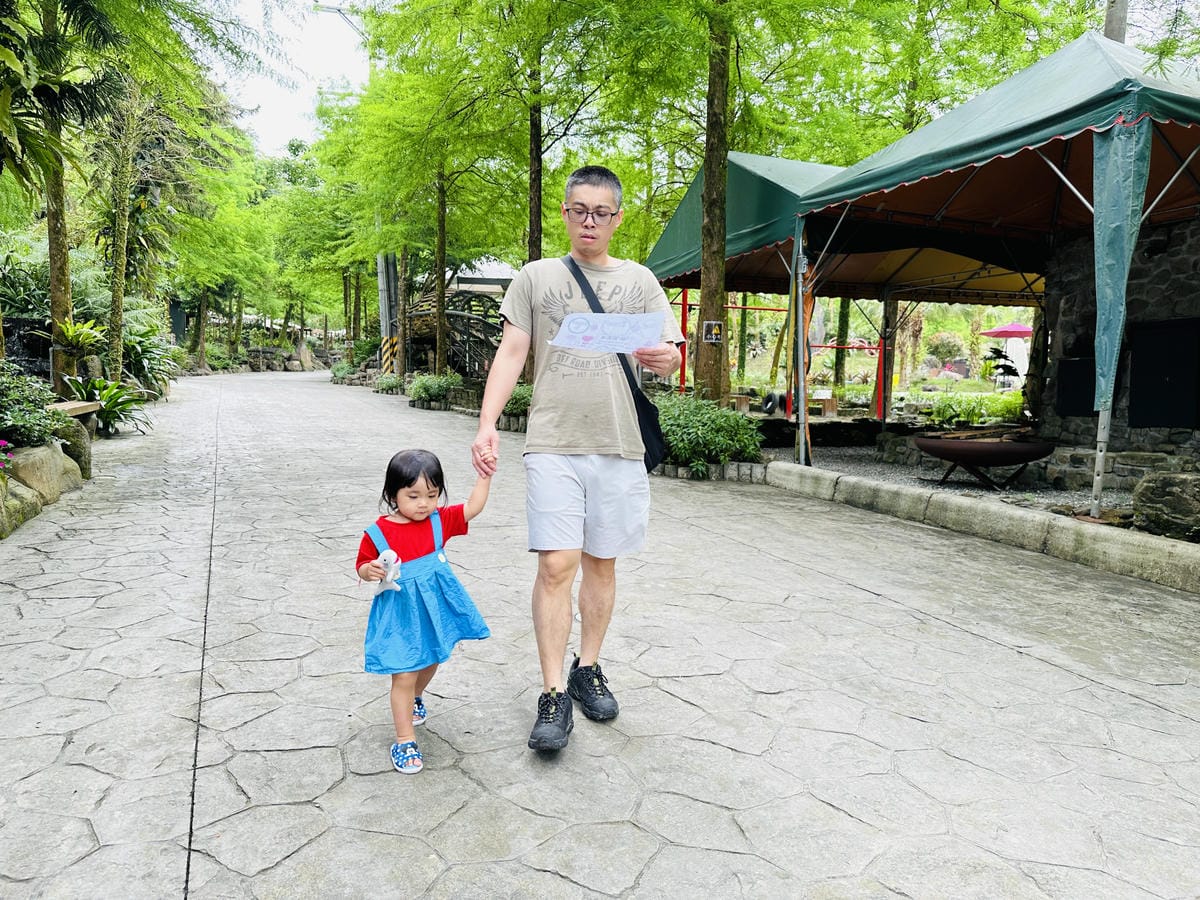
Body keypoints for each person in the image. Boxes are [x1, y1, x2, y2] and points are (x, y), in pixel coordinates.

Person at [471, 165, 683, 751]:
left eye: (602, 213)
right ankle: (551, 694)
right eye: (579, 210)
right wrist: (487, 425)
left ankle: (586, 668)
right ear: (564, 213)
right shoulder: (536, 278)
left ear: (617, 218)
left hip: (619, 444)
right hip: (554, 442)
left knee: (602, 564)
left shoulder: (640, 280)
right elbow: (513, 352)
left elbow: (667, 354)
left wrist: (667, 360)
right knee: (555, 565)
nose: (590, 221)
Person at [356, 448, 493, 773]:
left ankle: (414, 697)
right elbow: (362, 565)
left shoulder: (439, 521)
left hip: (433, 612)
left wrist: (485, 476)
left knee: (431, 660)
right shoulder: (378, 532)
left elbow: (473, 507)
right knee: (403, 674)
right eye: (414, 495)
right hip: (400, 615)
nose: (424, 503)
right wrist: (370, 569)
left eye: (432, 495)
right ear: (393, 494)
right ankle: (405, 740)